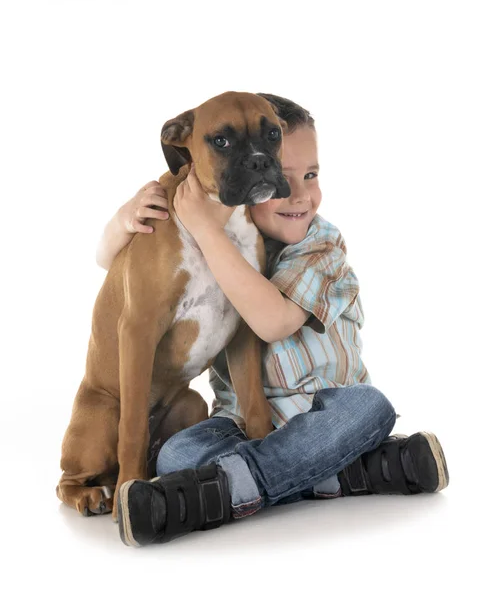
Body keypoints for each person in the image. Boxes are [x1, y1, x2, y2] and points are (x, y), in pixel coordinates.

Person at [96, 94, 449, 547]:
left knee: (370, 406)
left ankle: (227, 492)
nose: (297, 193)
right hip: (242, 425)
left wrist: (205, 229)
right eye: (280, 176)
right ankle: (342, 475)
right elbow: (111, 263)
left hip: (324, 413)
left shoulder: (319, 249)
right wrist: (126, 218)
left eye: (311, 175)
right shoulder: (238, 241)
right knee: (176, 454)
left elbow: (272, 321)